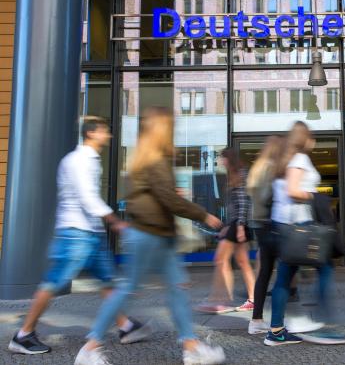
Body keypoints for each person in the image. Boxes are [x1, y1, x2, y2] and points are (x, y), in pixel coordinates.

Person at [75, 107, 225, 365]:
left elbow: (159, 197)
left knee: (175, 289)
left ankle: (191, 346)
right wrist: (204, 216)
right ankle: (89, 348)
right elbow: (169, 199)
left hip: (158, 235)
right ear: (161, 129)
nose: (173, 130)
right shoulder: (154, 159)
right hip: (149, 235)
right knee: (127, 289)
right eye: (170, 126)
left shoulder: (144, 157)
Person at [8, 117, 151, 355]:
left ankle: (125, 326)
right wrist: (115, 221)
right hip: (75, 233)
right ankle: (23, 335)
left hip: (90, 232)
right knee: (54, 282)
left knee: (106, 280)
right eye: (105, 131)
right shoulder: (79, 161)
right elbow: (87, 198)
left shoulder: (90, 160)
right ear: (92, 133)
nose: (109, 136)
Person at [266, 121, 345, 346]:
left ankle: (276, 331)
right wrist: (315, 196)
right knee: (325, 268)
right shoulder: (299, 159)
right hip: (300, 226)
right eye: (311, 136)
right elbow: (293, 191)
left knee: (285, 278)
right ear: (304, 138)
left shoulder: (284, 160)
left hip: (287, 227)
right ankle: (326, 328)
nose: (313, 140)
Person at [197, 148, 257, 314]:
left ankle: (219, 300)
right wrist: (228, 227)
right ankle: (253, 299)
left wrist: (238, 226)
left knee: (220, 259)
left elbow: (244, 202)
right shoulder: (234, 175)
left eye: (222, 158)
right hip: (236, 224)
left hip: (239, 225)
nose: (221, 162)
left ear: (229, 159)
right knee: (243, 263)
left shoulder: (241, 173)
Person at [246, 136, 284, 334]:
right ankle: (278, 322)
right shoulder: (270, 167)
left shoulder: (257, 167)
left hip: (259, 224)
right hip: (269, 223)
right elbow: (266, 196)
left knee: (265, 272)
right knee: (284, 270)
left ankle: (256, 320)